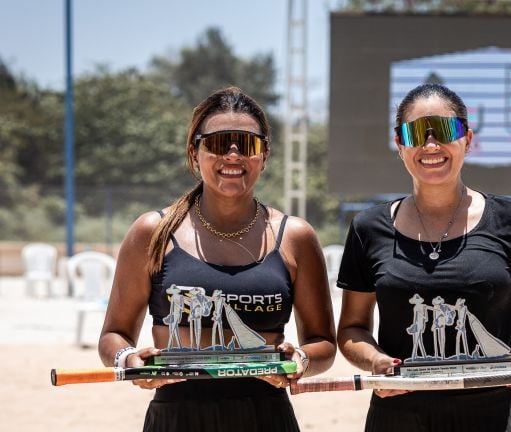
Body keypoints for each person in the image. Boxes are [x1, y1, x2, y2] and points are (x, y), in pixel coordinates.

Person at [99, 86, 336, 432]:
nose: (234, 155)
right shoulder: (154, 231)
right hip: (177, 418)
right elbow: (114, 335)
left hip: (266, 417)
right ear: (195, 153)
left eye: (248, 144)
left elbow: (323, 343)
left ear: (265, 156)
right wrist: (128, 360)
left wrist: (301, 359)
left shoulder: (295, 236)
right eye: (219, 143)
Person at [336, 83, 511, 432]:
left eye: (444, 131)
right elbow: (352, 330)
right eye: (415, 133)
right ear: (400, 143)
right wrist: (377, 361)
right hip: (400, 416)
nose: (430, 145)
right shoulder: (368, 229)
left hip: (497, 415)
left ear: (467, 139)